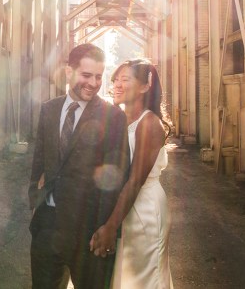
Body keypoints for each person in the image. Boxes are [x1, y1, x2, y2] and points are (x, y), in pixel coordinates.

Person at [29, 43, 130, 288]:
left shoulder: (113, 117)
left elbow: (117, 177)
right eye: (86, 75)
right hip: (47, 227)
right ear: (69, 71)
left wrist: (108, 228)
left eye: (98, 76)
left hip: (88, 232)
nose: (94, 83)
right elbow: (39, 161)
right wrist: (36, 199)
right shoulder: (49, 110)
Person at [90, 59, 173, 288]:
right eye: (115, 79)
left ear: (145, 86)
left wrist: (110, 227)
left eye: (125, 79)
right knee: (122, 278)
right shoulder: (117, 119)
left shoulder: (148, 124)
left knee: (143, 279)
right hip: (122, 204)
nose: (117, 84)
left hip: (144, 208)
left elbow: (135, 181)